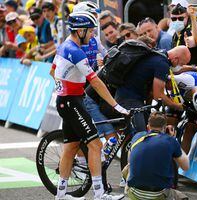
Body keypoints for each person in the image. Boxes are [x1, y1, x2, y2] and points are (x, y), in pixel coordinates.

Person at [52, 11, 126, 200]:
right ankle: (100, 194)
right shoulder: (76, 51)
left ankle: (60, 195)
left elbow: (52, 71)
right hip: (72, 101)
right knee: (95, 145)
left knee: (70, 148)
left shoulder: (64, 46)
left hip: (67, 100)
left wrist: (65, 86)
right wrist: (116, 105)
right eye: (91, 31)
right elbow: (95, 82)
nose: (93, 35)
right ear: (80, 31)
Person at [115, 45, 191, 132]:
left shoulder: (159, 54)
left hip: (129, 97)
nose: (180, 66)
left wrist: (193, 68)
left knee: (148, 127)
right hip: (129, 100)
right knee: (142, 135)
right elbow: (158, 96)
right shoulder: (162, 64)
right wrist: (177, 106)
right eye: (181, 64)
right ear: (176, 59)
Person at [127, 111, 189, 200]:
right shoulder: (170, 140)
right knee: (182, 197)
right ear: (165, 128)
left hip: (134, 192)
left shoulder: (138, 136)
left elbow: (130, 161)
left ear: (148, 127)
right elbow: (186, 166)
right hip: (158, 194)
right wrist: (174, 140)